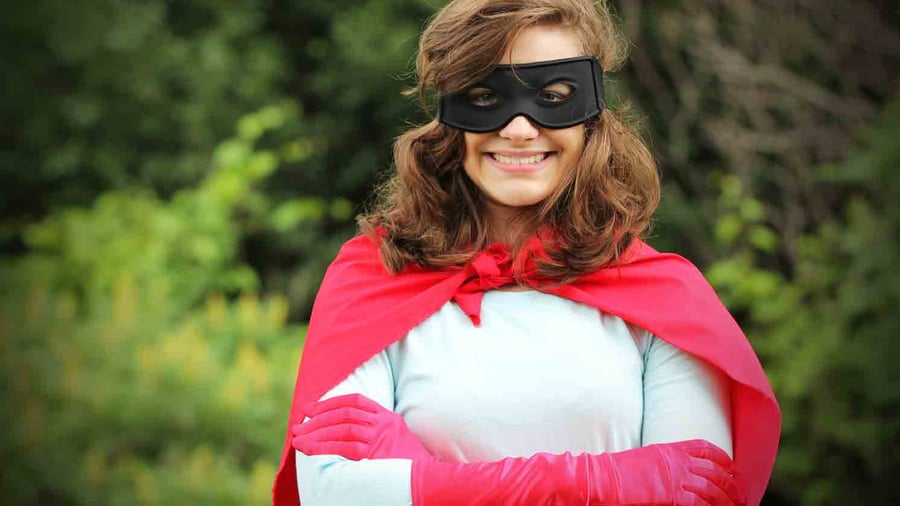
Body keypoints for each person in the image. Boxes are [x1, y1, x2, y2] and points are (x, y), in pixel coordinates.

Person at [271, 0, 780, 505]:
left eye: (553, 96)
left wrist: (418, 478)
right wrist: (603, 482)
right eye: (484, 96)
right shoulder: (374, 280)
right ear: (448, 118)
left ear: (592, 119)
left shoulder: (662, 300)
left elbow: (699, 492)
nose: (519, 129)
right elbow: (332, 494)